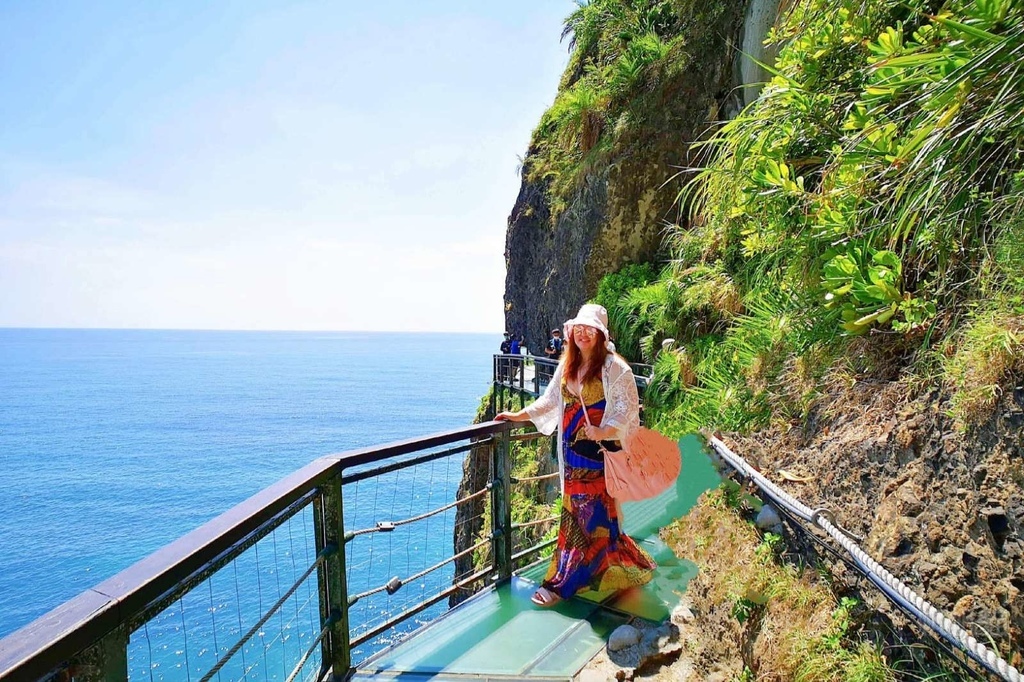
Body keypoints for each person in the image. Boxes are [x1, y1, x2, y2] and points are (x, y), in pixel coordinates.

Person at [496, 304, 656, 607]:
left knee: (582, 516)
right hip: (571, 455)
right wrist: (517, 416)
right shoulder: (568, 363)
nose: (582, 334)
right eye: (578, 328)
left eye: (589, 329)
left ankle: (562, 582)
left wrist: (603, 431)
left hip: (596, 455)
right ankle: (616, 568)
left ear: (600, 334)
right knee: (591, 516)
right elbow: (550, 401)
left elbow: (627, 407)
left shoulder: (613, 367)